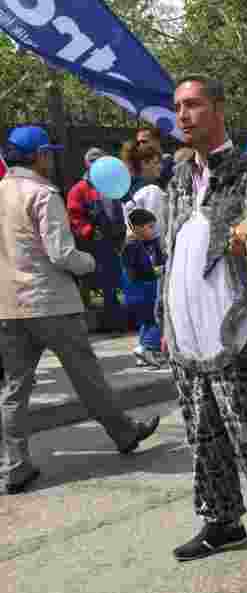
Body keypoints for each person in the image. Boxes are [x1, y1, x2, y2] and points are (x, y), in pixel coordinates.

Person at [162, 75, 247, 577]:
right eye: (178, 106)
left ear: (218, 108)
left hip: (234, 333)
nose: (183, 115)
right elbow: (173, 251)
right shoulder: (177, 179)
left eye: (193, 104)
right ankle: (222, 519)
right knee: (204, 437)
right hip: (186, 335)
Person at [0, 126, 160, 495]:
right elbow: (61, 254)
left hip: (9, 307)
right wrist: (89, 262)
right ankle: (123, 434)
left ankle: (15, 465)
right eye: (49, 153)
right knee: (87, 378)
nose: (52, 159)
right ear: (39, 155)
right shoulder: (42, 194)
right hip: (51, 302)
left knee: (14, 389)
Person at [67, 147, 127, 331]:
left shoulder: (113, 184)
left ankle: (114, 321)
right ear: (87, 165)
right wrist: (89, 231)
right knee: (87, 282)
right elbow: (74, 216)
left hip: (113, 242)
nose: (96, 165)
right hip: (91, 244)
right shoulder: (80, 189)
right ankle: (86, 324)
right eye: (92, 162)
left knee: (112, 284)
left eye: (99, 161)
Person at [122, 208, 166, 368]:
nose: (153, 231)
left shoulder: (133, 243)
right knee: (158, 320)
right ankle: (146, 348)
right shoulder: (132, 245)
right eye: (150, 227)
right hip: (142, 291)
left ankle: (142, 356)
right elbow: (140, 270)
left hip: (134, 292)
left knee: (146, 323)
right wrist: (159, 270)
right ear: (138, 227)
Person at [135, 125, 174, 190]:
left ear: (157, 141)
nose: (140, 145)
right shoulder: (137, 164)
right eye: (138, 143)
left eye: (144, 141)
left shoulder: (169, 163)